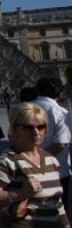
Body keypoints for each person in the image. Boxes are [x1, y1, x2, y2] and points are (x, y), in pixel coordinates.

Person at [32, 78, 72, 216]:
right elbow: (61, 143)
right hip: (57, 171)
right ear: (59, 93)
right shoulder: (60, 112)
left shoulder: (22, 110)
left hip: (26, 169)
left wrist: (29, 159)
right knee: (59, 212)